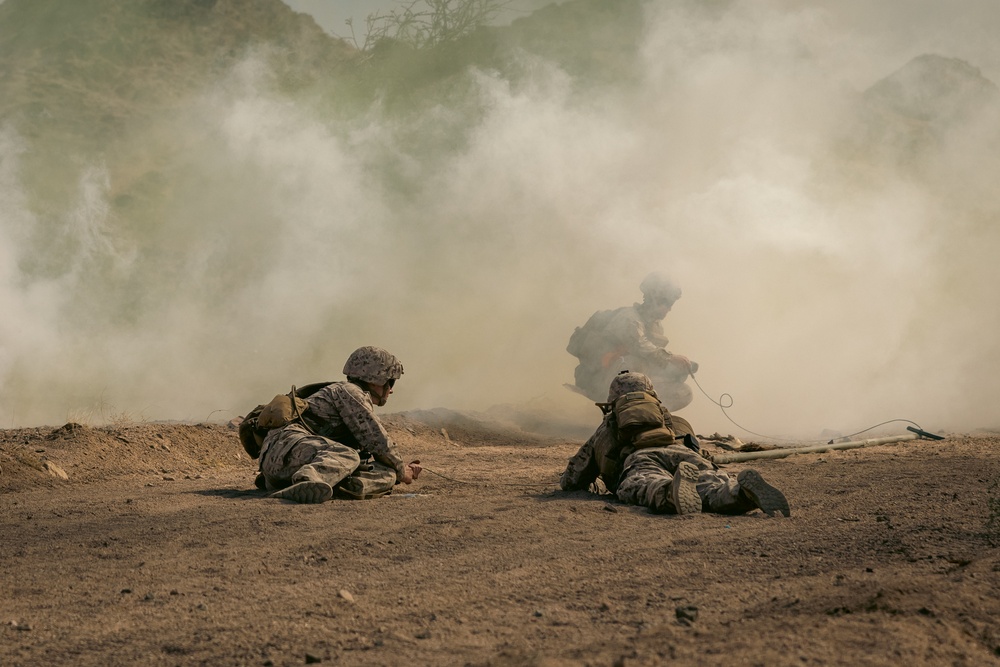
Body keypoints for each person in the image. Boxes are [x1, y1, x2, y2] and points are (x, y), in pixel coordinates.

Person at [560, 371, 790, 517]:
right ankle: (740, 493)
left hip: (639, 459)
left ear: (612, 400)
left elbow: (574, 477)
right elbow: (695, 447)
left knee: (645, 484)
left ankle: (670, 491)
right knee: (711, 485)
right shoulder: (669, 419)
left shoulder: (608, 427)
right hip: (682, 454)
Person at [258, 346, 422, 504]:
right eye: (390, 382)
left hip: (289, 459)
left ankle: (312, 487)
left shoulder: (348, 394)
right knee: (347, 455)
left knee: (388, 474)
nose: (391, 390)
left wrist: (397, 471)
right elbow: (378, 442)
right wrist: (403, 472)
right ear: (375, 380)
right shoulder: (350, 392)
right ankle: (307, 479)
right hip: (285, 449)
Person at [567, 272, 697, 411]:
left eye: (670, 304)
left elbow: (652, 361)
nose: (668, 308)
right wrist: (670, 358)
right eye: (665, 303)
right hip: (602, 380)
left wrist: (675, 370)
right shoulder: (629, 317)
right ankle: (622, 412)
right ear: (653, 299)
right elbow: (639, 345)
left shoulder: (656, 328)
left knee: (684, 392)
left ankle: (643, 414)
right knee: (634, 362)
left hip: (634, 383)